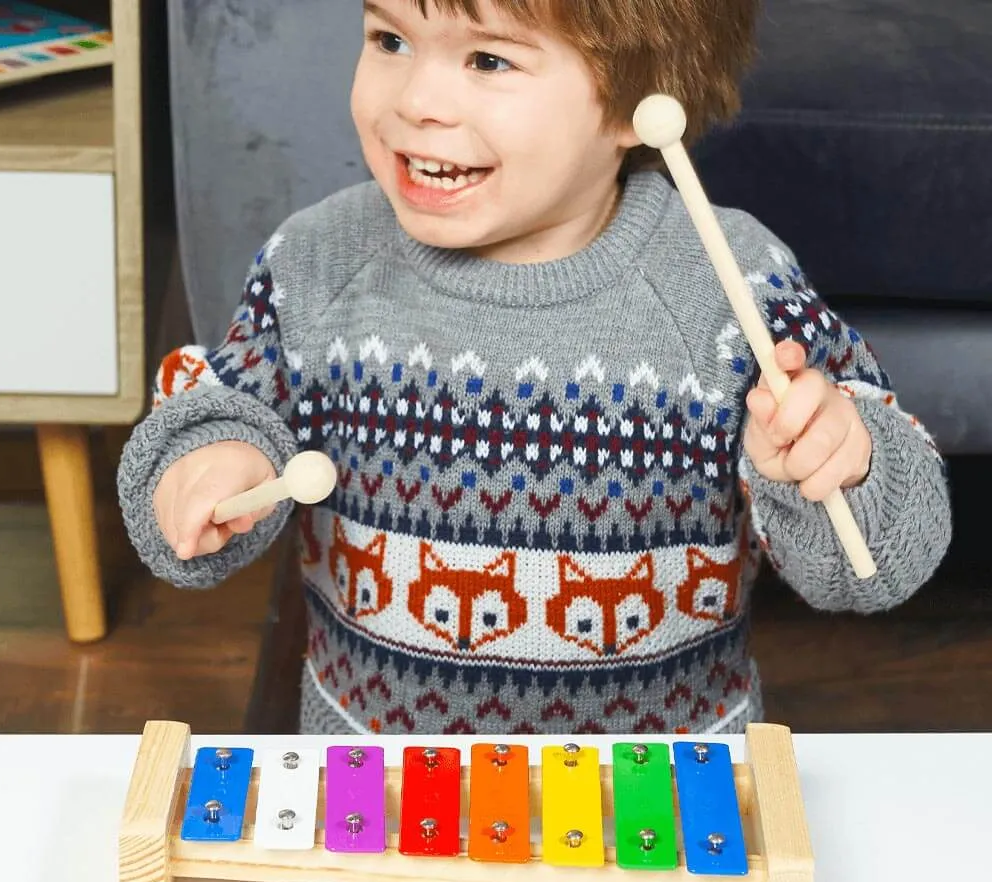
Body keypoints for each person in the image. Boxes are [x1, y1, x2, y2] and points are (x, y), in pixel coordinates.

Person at [118, 0, 951, 736]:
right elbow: (216, 426)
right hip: (377, 794)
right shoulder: (315, 261)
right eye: (389, 39)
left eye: (487, 59)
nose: (414, 102)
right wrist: (211, 462)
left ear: (640, 97)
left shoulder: (735, 284)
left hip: (654, 806)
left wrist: (846, 461)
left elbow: (875, 566)